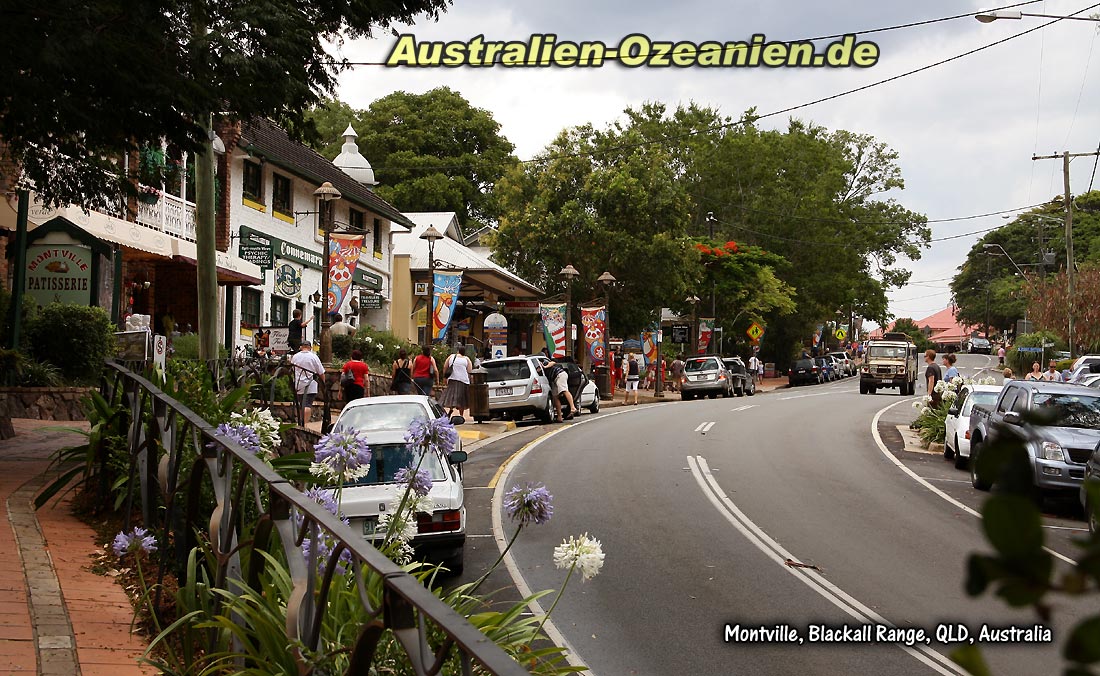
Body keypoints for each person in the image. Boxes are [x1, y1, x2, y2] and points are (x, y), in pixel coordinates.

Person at [290, 340, 324, 424]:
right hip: (310, 384)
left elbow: (292, 369)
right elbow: (321, 372)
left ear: (301, 347)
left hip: (299, 384)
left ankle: (301, 422)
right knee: (307, 404)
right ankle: (304, 423)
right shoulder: (313, 357)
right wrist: (323, 383)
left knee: (302, 404)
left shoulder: (295, 356)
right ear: (310, 347)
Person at [439, 345, 473, 417]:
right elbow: (469, 371)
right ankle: (461, 415)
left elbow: (445, 366)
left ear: (458, 351)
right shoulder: (466, 359)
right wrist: (471, 380)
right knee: (462, 398)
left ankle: (450, 410)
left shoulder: (451, 357)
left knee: (450, 396)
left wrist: (445, 377)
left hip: (452, 379)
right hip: (463, 380)